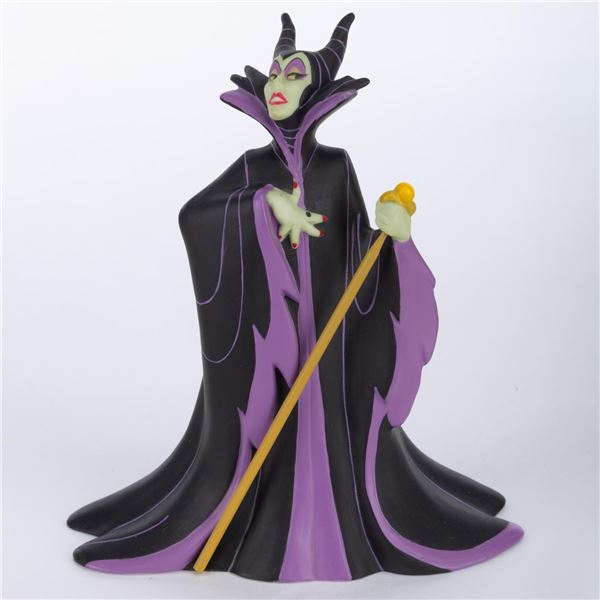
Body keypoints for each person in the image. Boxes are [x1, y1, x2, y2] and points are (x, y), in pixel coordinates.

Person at [67, 12, 523, 582]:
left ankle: (347, 521)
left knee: (335, 431)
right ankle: (242, 519)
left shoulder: (335, 167)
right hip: (269, 348)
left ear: (320, 92)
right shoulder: (253, 167)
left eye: (295, 73)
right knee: (258, 426)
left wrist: (394, 234)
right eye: (276, 71)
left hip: (330, 354)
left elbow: (360, 251)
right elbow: (197, 216)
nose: (278, 83)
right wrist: (262, 204)